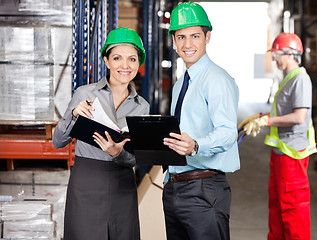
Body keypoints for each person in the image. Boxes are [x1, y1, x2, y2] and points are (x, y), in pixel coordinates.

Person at [52, 27, 149, 240]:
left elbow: (136, 158)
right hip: (86, 182)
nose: (125, 66)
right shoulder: (84, 94)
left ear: (138, 64)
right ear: (107, 61)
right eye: (117, 58)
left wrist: (118, 153)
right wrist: (74, 116)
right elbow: (58, 142)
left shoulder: (142, 107)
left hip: (122, 185)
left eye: (132, 59)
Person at [162, 2, 240, 240]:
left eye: (195, 36)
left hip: (204, 189)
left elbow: (228, 132)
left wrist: (195, 146)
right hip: (175, 187)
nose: (187, 44)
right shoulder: (180, 85)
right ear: (174, 41)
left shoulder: (217, 80)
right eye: (181, 37)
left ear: (208, 37)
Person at [238, 32, 317, 240]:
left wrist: (268, 121)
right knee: (277, 208)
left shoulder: (301, 80)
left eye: (277, 54)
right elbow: (284, 111)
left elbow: (299, 116)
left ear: (290, 54)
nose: (274, 59)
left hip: (293, 156)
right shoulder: (289, 78)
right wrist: (261, 116)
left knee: (293, 211)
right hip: (281, 153)